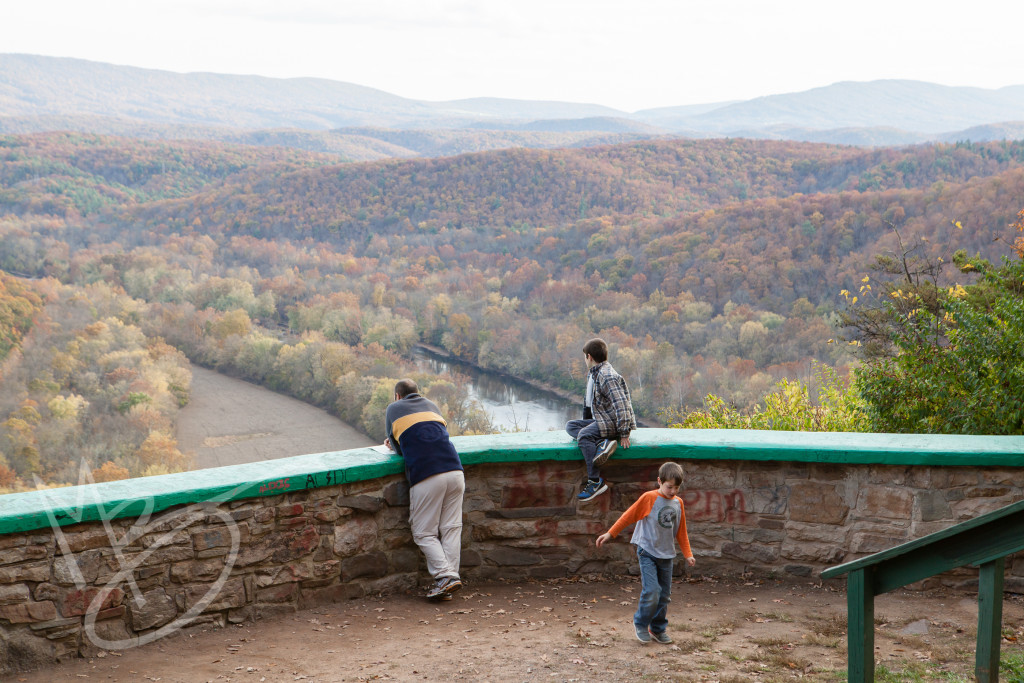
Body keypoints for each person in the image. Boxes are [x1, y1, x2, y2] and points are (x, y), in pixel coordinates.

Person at [595, 461, 696, 644]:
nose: (673, 491)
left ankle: (657, 629)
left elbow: (681, 530)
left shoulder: (677, 503)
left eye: (677, 487)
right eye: (669, 487)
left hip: (666, 554)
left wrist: (687, 553)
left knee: (664, 595)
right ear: (659, 481)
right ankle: (641, 623)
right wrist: (611, 533)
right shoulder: (649, 498)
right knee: (652, 590)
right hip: (647, 551)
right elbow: (629, 515)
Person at [384, 378, 465, 601]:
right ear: (418, 393)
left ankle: (445, 576)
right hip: (455, 470)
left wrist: (392, 444)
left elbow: (399, 449)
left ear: (397, 396)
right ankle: (449, 582)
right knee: (451, 528)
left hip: (428, 474)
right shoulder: (432, 405)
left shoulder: (393, 408)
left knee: (423, 532)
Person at [565, 338, 637, 502]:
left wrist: (624, 433)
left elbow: (622, 405)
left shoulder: (607, 376)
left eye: (584, 357)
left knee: (583, 436)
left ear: (589, 357)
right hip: (603, 420)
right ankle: (601, 444)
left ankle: (595, 481)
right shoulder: (597, 372)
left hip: (613, 423)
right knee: (571, 426)